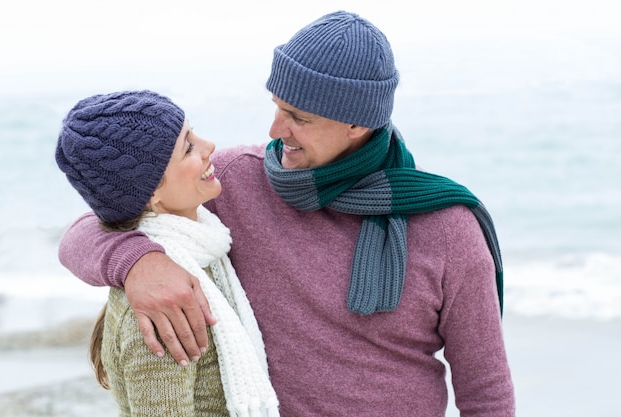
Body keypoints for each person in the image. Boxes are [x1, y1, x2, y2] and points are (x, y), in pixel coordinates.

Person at [59, 11, 516, 416]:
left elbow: (486, 393)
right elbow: (88, 229)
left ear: (357, 121)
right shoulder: (237, 182)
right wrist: (140, 263)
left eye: (299, 117)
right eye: (277, 106)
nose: (276, 130)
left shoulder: (448, 227)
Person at [55, 90, 279, 417]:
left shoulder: (204, 247)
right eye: (188, 146)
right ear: (152, 193)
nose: (209, 146)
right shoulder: (160, 305)